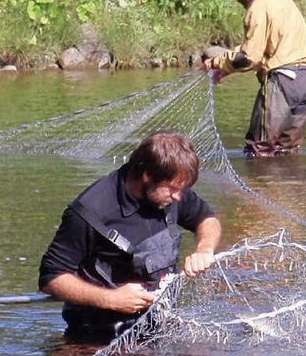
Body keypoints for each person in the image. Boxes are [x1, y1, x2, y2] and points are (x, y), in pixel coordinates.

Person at [39, 131, 221, 340]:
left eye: (182, 190)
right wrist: (111, 299)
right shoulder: (90, 211)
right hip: (99, 335)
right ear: (147, 176)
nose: (178, 197)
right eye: (172, 189)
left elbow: (207, 219)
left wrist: (204, 250)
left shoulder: (172, 190)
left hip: (157, 326)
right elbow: (51, 278)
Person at [203, 0, 306, 157]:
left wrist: (216, 64)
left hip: (284, 81)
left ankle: (259, 187)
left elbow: (249, 57)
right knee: (287, 149)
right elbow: (268, 48)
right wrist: (227, 69)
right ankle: (291, 188)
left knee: (258, 149)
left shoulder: (259, 5)